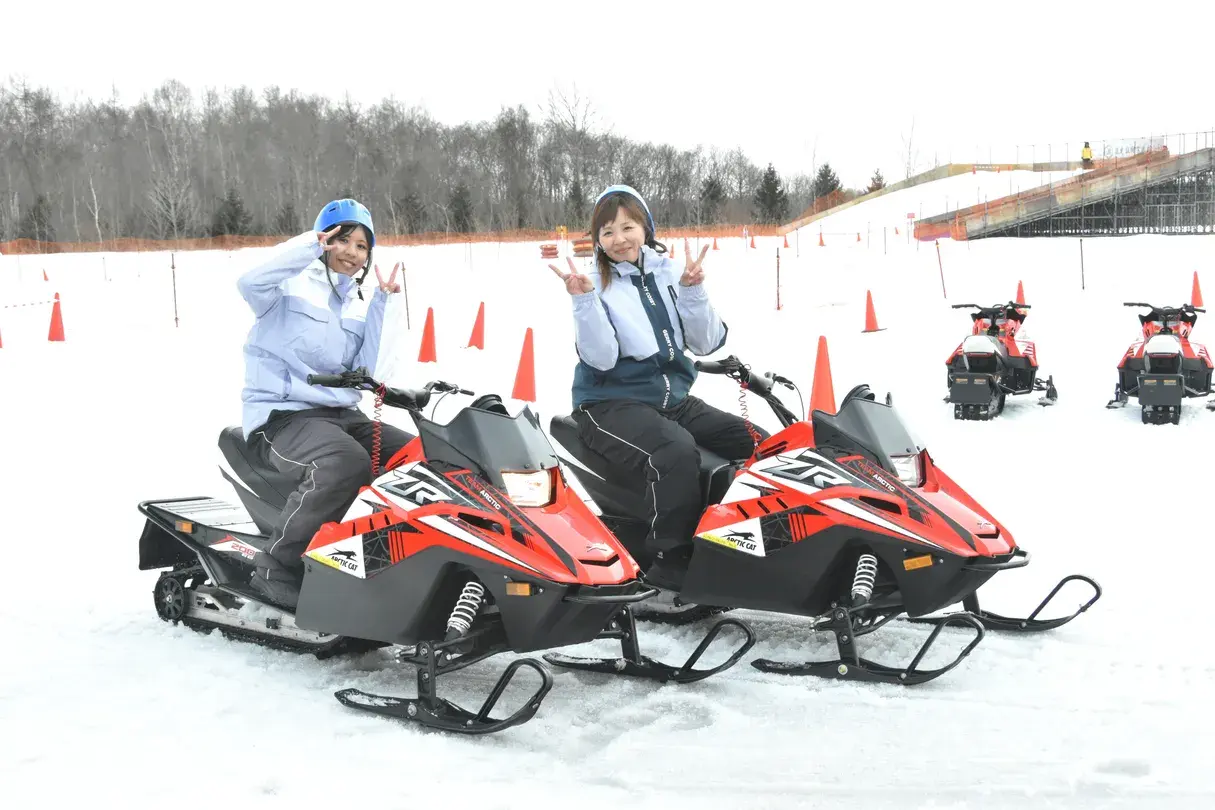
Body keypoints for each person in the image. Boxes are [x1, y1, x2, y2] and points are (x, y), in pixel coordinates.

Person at [549, 185, 769, 590]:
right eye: (607, 232)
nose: (619, 240)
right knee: (675, 451)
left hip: (672, 398)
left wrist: (692, 291)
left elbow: (704, 342)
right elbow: (600, 358)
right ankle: (669, 559)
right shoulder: (594, 282)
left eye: (628, 227)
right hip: (609, 403)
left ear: (646, 228)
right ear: (597, 239)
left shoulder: (670, 272)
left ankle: (756, 539)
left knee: (761, 442)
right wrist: (583, 302)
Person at [236, 198, 414, 609]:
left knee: (418, 458)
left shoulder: (359, 301)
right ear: (325, 240)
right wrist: (307, 248)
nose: (352, 252)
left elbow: (375, 371)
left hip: (342, 414)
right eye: (343, 240)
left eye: (363, 246)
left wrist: (386, 304)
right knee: (343, 463)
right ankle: (276, 566)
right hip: (282, 416)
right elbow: (248, 283)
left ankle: (383, 560)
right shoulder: (286, 286)